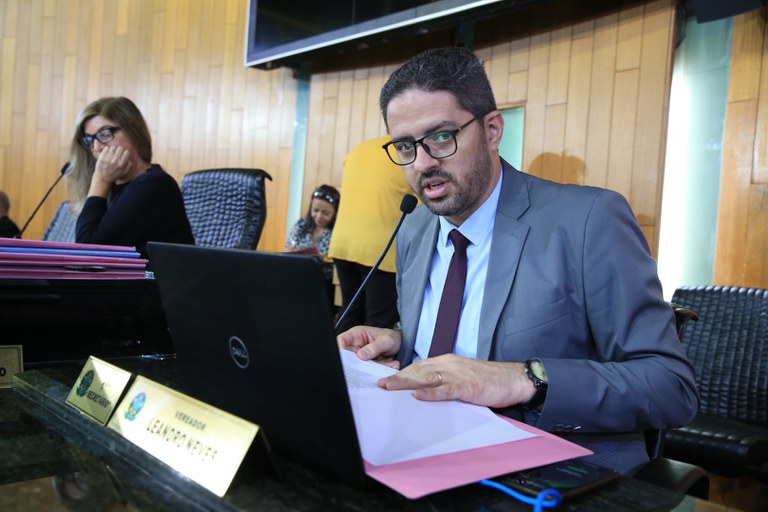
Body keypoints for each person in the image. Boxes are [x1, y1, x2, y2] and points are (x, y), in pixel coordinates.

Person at [337, 47, 699, 475]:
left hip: (550, 471)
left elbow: (670, 386)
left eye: (441, 137)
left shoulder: (587, 220)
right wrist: (402, 342)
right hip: (425, 448)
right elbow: (459, 338)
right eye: (405, 146)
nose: (423, 163)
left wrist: (524, 378)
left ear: (492, 130)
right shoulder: (414, 227)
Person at [67, 97, 193, 253]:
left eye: (105, 134)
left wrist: (100, 179)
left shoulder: (154, 186)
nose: (97, 147)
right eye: (89, 140)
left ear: (133, 131)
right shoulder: (114, 188)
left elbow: (89, 252)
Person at [328, 136, 414, 332]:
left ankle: (337, 352)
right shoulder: (407, 152)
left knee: (350, 313)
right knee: (379, 322)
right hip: (381, 249)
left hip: (343, 243)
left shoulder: (359, 149)